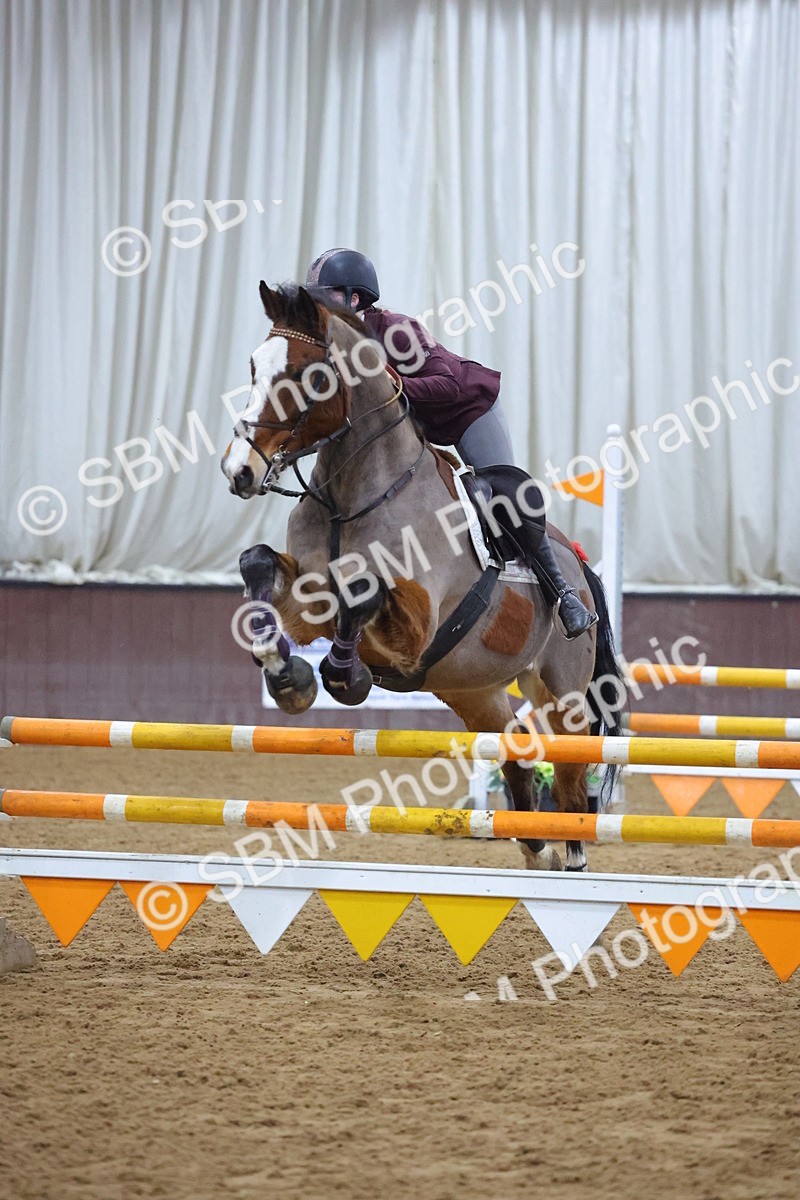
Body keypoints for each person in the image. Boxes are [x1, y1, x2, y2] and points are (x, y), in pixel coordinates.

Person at [305, 247, 597, 639]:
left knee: (503, 495)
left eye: (327, 297)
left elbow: (444, 385)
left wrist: (393, 382)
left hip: (468, 410)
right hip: (425, 427)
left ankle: (564, 596)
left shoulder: (393, 329)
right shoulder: (334, 345)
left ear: (354, 299)